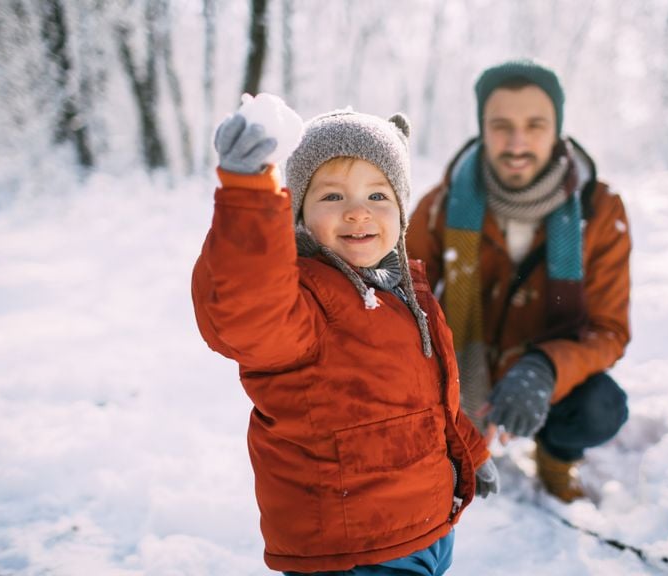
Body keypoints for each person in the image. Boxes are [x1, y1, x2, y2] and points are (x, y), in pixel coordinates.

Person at [191, 103, 499, 575]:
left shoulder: (406, 293)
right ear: (297, 213)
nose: (358, 212)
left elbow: (433, 399)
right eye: (333, 197)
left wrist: (470, 454)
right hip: (349, 550)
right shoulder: (301, 304)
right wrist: (249, 195)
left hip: (426, 530)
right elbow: (244, 305)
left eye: (379, 196)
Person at [407, 59, 631, 503]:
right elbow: (400, 298)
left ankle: (555, 458)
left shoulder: (600, 210)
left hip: (544, 374)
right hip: (461, 369)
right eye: (501, 125)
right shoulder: (441, 205)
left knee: (601, 406)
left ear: (557, 128)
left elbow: (609, 330)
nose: (517, 142)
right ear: (482, 127)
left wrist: (545, 367)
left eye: (535, 124)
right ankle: (452, 440)